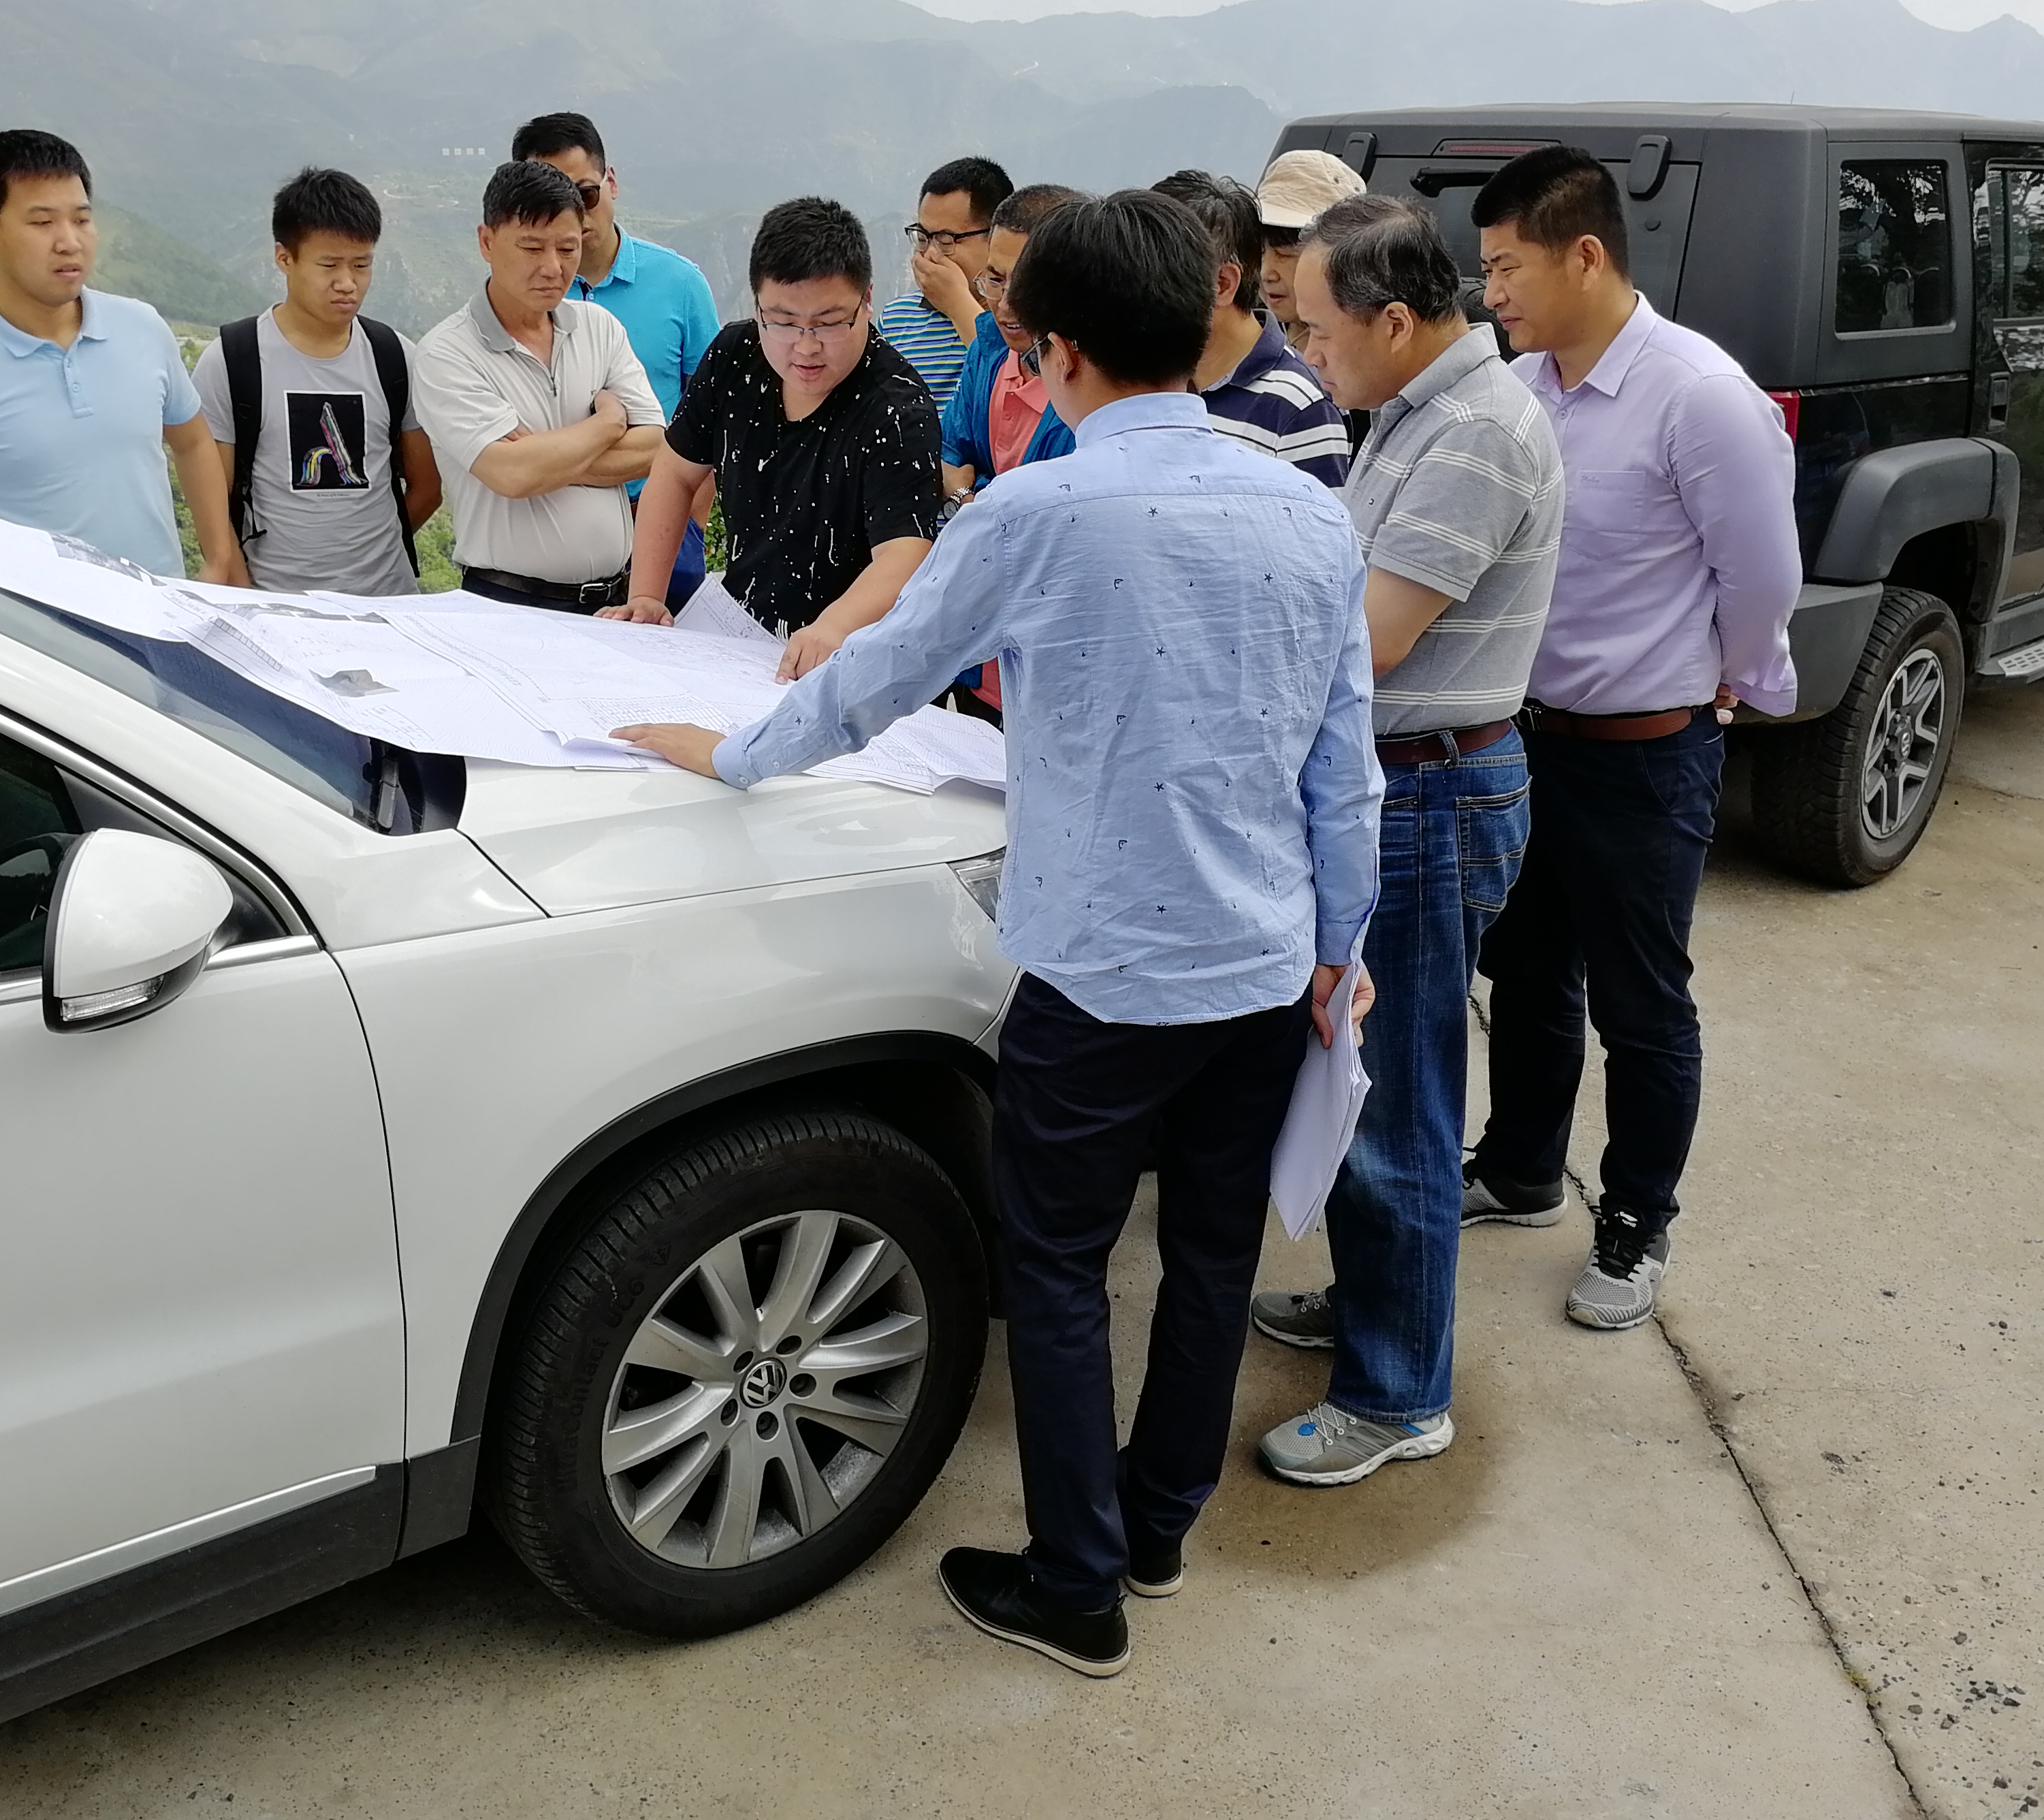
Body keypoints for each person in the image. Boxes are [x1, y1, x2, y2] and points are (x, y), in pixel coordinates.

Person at [611, 191, 1383, 1680]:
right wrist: (1339, 949)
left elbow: (875, 678)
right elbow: (1341, 768)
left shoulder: (1036, 511)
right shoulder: (1306, 512)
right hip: (1261, 965)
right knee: (1210, 1257)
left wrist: (731, 753)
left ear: (1058, 350)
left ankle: (1074, 1582)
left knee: (1058, 1268)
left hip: (1099, 977)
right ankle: (1155, 1532)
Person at [1247, 195, 1564, 1483]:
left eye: (1318, 332)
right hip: (1398, 785)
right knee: (1359, 1080)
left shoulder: (1476, 433)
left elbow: (1369, 638)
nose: (1306, 356)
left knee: (1401, 1104)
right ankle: (1377, 1305)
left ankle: (1397, 1395)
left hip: (1430, 793)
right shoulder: (1415, 412)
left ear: (1392, 320)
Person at [1465, 144, 1802, 1329]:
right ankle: (1519, 1169)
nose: (1491, 293)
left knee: (1642, 1003)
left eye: (1505, 268)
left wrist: (1730, 680)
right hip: (1524, 741)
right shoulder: (1525, 389)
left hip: (1643, 752)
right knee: (1525, 971)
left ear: (1584, 256)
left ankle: (1635, 1219)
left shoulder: (1697, 394)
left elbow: (1761, 575)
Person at [602, 199, 941, 678]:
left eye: (829, 322)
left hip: (853, 656)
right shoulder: (734, 356)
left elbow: (905, 552)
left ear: (867, 300)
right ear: (757, 305)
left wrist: (833, 627)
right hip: (737, 638)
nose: (806, 346)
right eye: (782, 321)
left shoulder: (896, 409)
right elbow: (676, 472)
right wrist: (646, 597)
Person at [0, 129, 229, 579]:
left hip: (161, 608)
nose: (69, 242)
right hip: (28, 623)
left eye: (81, 220)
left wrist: (219, 558)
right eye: (43, 223)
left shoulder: (143, 327)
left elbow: (193, 442)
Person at [411, 160, 665, 612]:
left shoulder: (599, 327)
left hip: (614, 603)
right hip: (508, 604)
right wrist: (608, 425)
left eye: (568, 248)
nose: (553, 268)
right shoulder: (448, 353)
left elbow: (653, 447)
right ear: (487, 242)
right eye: (532, 248)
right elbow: (513, 475)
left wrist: (543, 458)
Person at [191, 166, 438, 597]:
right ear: (284, 258)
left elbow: (428, 487)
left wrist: (374, 560)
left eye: (362, 265)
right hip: (276, 604)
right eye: (329, 265)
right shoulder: (232, 361)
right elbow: (214, 504)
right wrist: (245, 591)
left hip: (390, 604)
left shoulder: (396, 356)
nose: (347, 283)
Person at [513, 111, 723, 609]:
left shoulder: (679, 284)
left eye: (584, 194)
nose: (573, 214)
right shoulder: (518, 298)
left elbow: (714, 413)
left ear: (611, 182)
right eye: (550, 201)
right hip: (549, 522)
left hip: (659, 514)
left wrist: (691, 521)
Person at [1147, 170, 1351, 485]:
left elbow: (1319, 516)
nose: (1130, 294)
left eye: (1151, 277)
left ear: (1222, 284)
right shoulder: (1138, 376)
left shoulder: (1299, 406)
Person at [938, 182, 1089, 504]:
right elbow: (948, 455)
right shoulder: (988, 349)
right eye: (995, 280)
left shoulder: (1092, 387)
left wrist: (966, 498)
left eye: (1025, 285)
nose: (1005, 305)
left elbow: (1055, 508)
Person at [877, 156, 1012, 406]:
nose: (930, 254)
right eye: (923, 238)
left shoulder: (1016, 320)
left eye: (946, 240)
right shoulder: (897, 318)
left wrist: (957, 304)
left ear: (993, 237)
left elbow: (1010, 382)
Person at [1257, 148, 1371, 353]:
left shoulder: (1366, 350)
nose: (1266, 274)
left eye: (1285, 253)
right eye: (1258, 251)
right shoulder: (1248, 329)